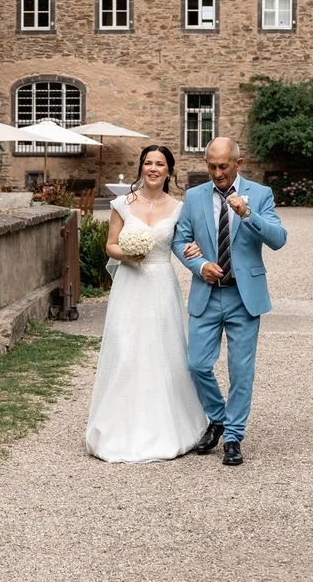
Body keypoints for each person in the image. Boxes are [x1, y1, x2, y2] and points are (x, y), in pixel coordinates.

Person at [83, 145, 210, 463]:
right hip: (130, 284)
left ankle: (169, 424)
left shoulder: (179, 208)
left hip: (161, 284)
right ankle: (119, 427)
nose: (153, 168)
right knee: (128, 350)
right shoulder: (122, 204)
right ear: (141, 168)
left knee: (163, 351)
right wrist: (127, 254)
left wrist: (195, 251)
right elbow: (110, 245)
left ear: (169, 171)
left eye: (160, 163)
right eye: (148, 163)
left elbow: (184, 243)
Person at [170, 137, 286, 466]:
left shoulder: (261, 195)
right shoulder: (193, 197)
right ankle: (218, 417)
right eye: (211, 166)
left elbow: (278, 239)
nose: (217, 173)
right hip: (207, 294)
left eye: (223, 166)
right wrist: (199, 264)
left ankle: (233, 435)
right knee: (197, 364)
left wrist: (248, 214)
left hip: (243, 296)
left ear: (238, 163)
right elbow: (180, 240)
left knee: (241, 371)